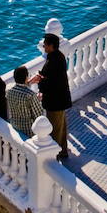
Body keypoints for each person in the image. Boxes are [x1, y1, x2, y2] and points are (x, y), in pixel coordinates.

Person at [29, 32, 72, 160]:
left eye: (45, 45)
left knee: (54, 129)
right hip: (61, 99)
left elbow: (51, 82)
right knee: (61, 127)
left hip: (55, 101)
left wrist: (40, 81)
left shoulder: (53, 59)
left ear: (51, 46)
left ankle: (56, 155)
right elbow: (51, 75)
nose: (44, 47)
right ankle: (62, 151)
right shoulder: (58, 57)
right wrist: (42, 75)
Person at [5, 65, 43, 138]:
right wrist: (37, 100)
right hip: (28, 130)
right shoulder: (30, 95)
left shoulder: (9, 91)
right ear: (26, 77)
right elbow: (38, 115)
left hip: (15, 126)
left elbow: (19, 91)